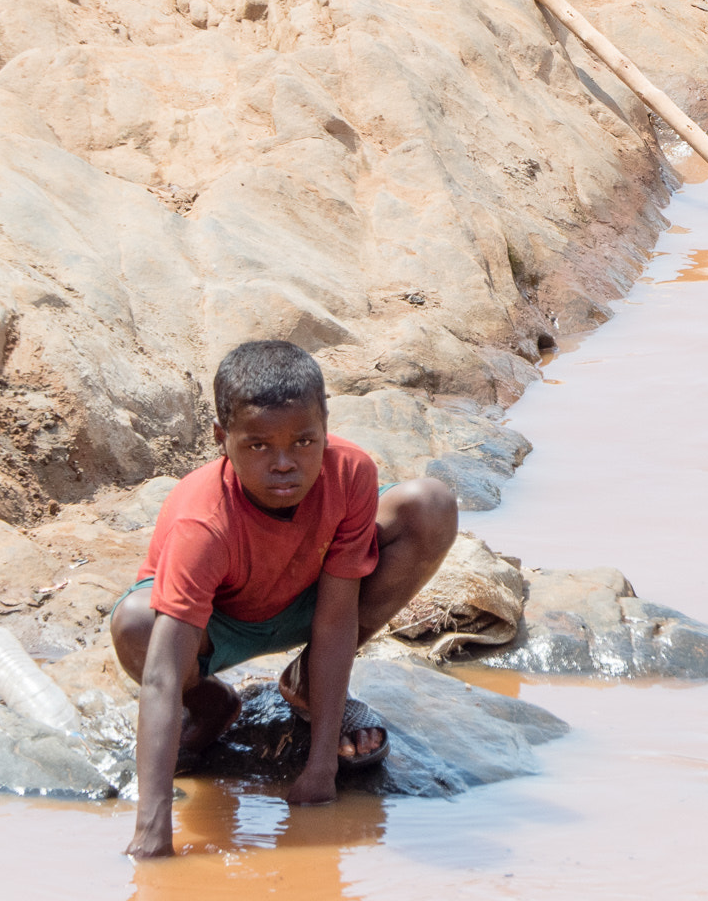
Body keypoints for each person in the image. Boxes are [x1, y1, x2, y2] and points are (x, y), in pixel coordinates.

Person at [111, 340, 458, 859]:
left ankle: (306, 684)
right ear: (221, 440)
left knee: (430, 503)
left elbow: (339, 615)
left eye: (303, 442)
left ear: (325, 426)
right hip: (215, 623)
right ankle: (211, 705)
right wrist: (153, 827)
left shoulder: (349, 472)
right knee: (136, 624)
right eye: (257, 446)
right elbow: (161, 674)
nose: (284, 464)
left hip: (307, 601)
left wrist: (322, 766)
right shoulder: (203, 522)